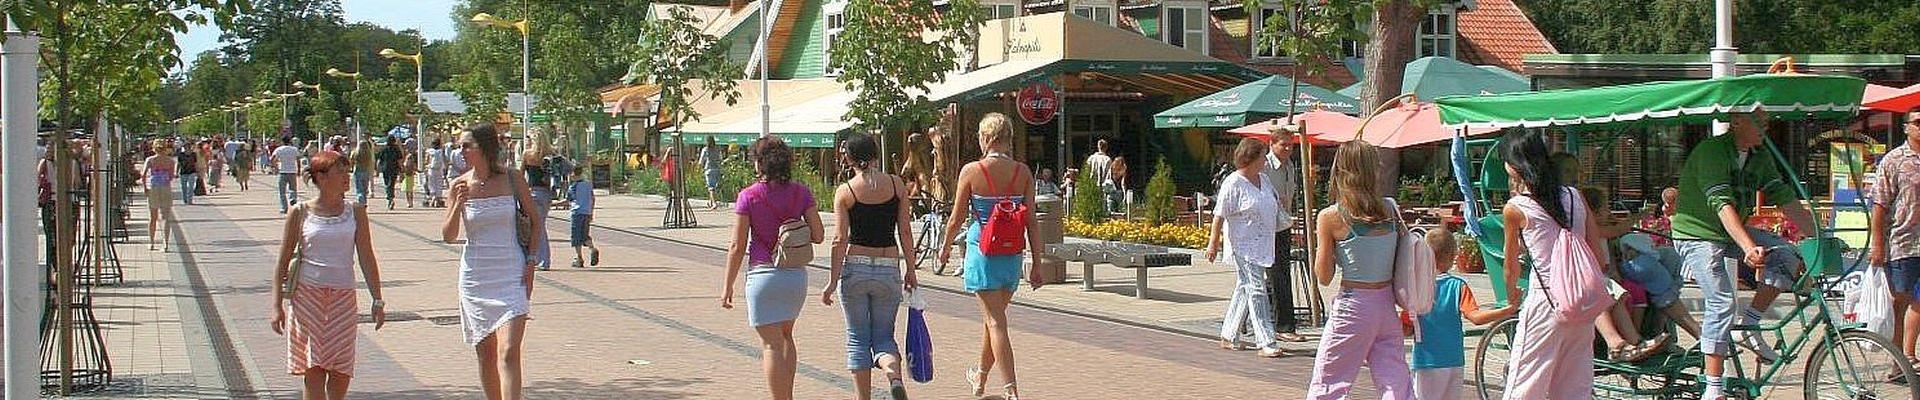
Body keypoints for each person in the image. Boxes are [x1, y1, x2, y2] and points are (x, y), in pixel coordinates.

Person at [1671, 112, 1815, 400]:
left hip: (1727, 233)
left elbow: (1783, 196)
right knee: (1722, 301)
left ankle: (1749, 325)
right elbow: (1721, 205)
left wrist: (1821, 235)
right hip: (1696, 234)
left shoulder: (1759, 155)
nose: (1766, 127)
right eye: (1759, 121)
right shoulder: (1712, 152)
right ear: (1737, 121)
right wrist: (1749, 247)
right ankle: (1713, 387)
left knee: (1786, 257)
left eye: (1767, 121)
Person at [1498, 131, 1611, 399]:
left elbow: (1510, 267)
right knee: (1573, 389)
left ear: (1513, 166)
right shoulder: (1575, 196)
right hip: (1581, 306)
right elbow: (1598, 254)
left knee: (1524, 387)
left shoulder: (1516, 208)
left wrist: (1512, 294)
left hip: (1545, 304)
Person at [937, 113, 1042, 400]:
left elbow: (957, 217)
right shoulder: (1023, 173)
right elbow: (1032, 221)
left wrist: (944, 248)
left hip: (982, 252)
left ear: (986, 138)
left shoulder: (972, 171)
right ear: (1008, 139)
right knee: (993, 319)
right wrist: (1037, 263)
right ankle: (980, 377)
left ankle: (1011, 390)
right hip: (1011, 254)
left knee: (995, 322)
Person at [271, 149, 387, 400]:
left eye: (348, 170)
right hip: (307, 298)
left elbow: (367, 257)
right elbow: (282, 261)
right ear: (321, 177)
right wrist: (276, 305)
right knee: (313, 369)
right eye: (340, 171)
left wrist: (377, 299)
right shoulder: (300, 211)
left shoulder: (355, 211)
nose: (347, 176)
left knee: (341, 369)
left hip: (343, 299)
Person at [440, 123, 542, 400]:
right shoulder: (458, 185)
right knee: (485, 355)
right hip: (475, 277)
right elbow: (448, 236)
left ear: (484, 148)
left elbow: (535, 221)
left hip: (511, 272)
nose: (460, 151)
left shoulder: (512, 178)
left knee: (508, 350)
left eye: (466, 145)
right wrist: (457, 206)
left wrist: (531, 261)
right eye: (460, 146)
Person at [719, 136, 824, 400]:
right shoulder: (802, 192)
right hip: (795, 277)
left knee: (771, 344)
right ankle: (787, 395)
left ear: (760, 162)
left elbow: (737, 245)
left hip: (763, 275)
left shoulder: (748, 196)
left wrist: (728, 285)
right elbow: (819, 235)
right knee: (786, 336)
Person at [1306, 140, 1413, 399]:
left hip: (1354, 305)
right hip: (1386, 305)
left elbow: (1324, 275)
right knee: (1395, 381)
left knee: (1329, 381)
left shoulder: (1331, 216)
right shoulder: (1390, 208)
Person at [822, 134, 917, 400]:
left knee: (857, 338)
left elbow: (840, 239)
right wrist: (911, 269)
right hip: (888, 266)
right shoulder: (897, 185)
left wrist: (832, 280)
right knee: (884, 336)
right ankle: (894, 376)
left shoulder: (846, 191)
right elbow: (906, 232)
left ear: (849, 159)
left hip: (856, 267)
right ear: (875, 154)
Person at [1407, 226, 1517, 400]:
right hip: (1454, 360)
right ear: (1452, 257)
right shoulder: (1458, 286)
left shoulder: (1417, 287)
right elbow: (1475, 317)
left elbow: (1405, 326)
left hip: (1426, 360)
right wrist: (1506, 310)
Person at [1204, 138, 1288, 358]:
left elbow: (1273, 201)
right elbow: (1219, 214)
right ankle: (1266, 340)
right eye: (1262, 156)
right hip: (1243, 245)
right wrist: (1213, 243)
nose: (1265, 161)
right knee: (1257, 289)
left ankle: (1229, 334)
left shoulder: (1264, 180)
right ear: (1251, 159)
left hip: (1263, 243)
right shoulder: (1233, 183)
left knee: (1245, 287)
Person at [1874, 111, 1920, 368]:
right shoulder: (1894, 160)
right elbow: (1879, 205)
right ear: (1906, 128)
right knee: (1900, 301)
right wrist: (1877, 243)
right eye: (1917, 123)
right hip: (1902, 241)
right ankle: (1897, 362)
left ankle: (1908, 355)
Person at [1263, 138, 1304, 342]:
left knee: (1280, 273)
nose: (1288, 149)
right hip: (1267, 226)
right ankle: (1283, 325)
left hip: (1283, 223)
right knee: (1277, 274)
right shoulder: (1265, 165)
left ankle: (1278, 321)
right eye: (1283, 145)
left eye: (1291, 145)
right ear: (1272, 144)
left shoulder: (1290, 166)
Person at [521, 145, 555, 271]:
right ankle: (538, 258)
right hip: (546, 193)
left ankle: (542, 260)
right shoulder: (551, 153)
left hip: (533, 192)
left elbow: (520, 174)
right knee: (539, 225)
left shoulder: (527, 154)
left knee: (537, 226)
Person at [141, 141, 178, 251]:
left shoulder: (150, 160)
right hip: (165, 188)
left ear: (154, 148)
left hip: (153, 188)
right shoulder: (170, 161)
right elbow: (171, 176)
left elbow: (143, 175)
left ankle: (151, 242)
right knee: (166, 217)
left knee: (153, 217)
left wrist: (145, 188)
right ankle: (165, 243)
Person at [560, 167, 599, 269]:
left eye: (571, 174)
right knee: (585, 235)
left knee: (576, 236)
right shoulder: (588, 184)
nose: (570, 176)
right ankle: (592, 248)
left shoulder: (573, 187)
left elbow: (568, 201)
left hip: (576, 212)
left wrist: (553, 204)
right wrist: (591, 212)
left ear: (575, 175)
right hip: (586, 212)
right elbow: (592, 198)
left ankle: (579, 258)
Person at [273, 138, 303, 214]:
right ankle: (293, 199)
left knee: (282, 191)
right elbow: (298, 160)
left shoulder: (279, 149)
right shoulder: (294, 149)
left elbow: (272, 158)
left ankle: (284, 207)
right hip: (292, 171)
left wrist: (275, 167)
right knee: (293, 189)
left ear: (282, 142)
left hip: (282, 171)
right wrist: (299, 170)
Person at [700, 136, 726, 210]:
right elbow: (720, 159)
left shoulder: (705, 149)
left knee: (711, 188)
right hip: (717, 169)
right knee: (714, 187)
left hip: (709, 169)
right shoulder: (717, 149)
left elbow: (701, 160)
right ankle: (711, 202)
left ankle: (714, 203)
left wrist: (700, 167)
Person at [377, 139, 403, 210]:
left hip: (385, 168)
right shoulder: (396, 150)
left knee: (387, 183)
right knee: (392, 184)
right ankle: (390, 198)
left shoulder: (384, 149)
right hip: (394, 169)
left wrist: (377, 170)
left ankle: (389, 198)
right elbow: (399, 160)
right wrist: (401, 169)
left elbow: (379, 160)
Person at [425, 138, 448, 208]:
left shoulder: (429, 151)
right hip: (439, 169)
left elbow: (426, 161)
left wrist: (425, 168)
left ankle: (433, 198)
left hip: (431, 169)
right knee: (439, 184)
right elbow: (444, 160)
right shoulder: (441, 151)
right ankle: (437, 200)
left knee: (431, 184)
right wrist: (445, 168)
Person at [352, 138, 376, 204]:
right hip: (366, 171)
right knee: (365, 188)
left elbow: (351, 160)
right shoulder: (369, 154)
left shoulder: (355, 152)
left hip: (357, 170)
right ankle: (364, 201)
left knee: (359, 188)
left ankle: (361, 200)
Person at [177, 139, 200, 205]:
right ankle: (185, 200)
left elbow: (196, 163)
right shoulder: (181, 155)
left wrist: (197, 171)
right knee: (184, 187)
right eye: (185, 147)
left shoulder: (193, 154)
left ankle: (190, 200)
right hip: (183, 172)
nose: (187, 148)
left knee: (191, 186)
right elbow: (178, 164)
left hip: (192, 172)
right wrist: (176, 172)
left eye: (188, 147)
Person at [402, 138, 419, 208]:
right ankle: (410, 202)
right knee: (409, 190)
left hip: (407, 174)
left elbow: (408, 165)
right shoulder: (410, 155)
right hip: (410, 174)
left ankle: (409, 202)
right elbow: (413, 165)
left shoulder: (408, 156)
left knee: (408, 190)